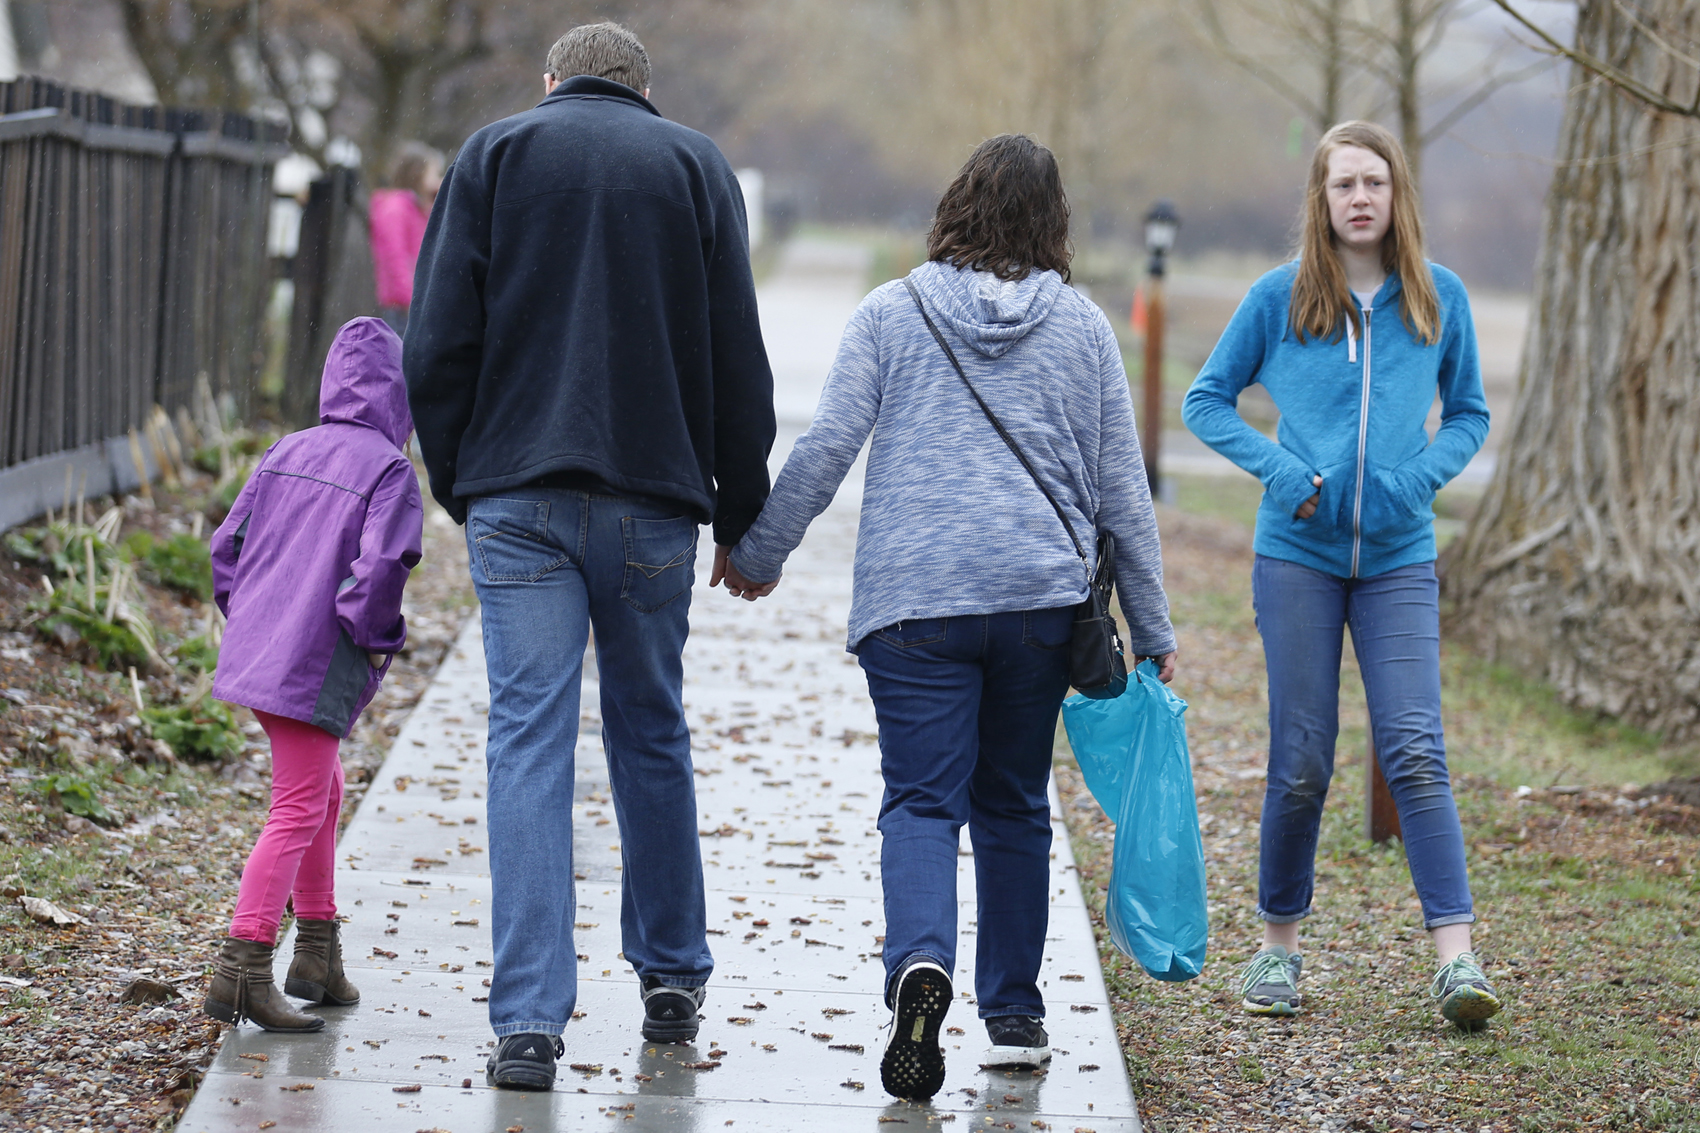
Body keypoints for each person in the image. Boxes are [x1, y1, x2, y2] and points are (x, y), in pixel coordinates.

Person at [723, 134, 1177, 1101]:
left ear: (956, 205)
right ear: (1052, 221)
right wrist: (1156, 626)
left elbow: (828, 447)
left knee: (922, 800)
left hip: (914, 606)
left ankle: (918, 965)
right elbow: (1121, 493)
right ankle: (1013, 1014)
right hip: (1037, 609)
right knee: (1012, 803)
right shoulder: (1086, 329)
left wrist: (757, 555)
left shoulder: (891, 313)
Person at [404, 22, 775, 1091]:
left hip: (516, 495)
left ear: (552, 81)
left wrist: (460, 478)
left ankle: (526, 1021)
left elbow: (435, 340)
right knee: (649, 726)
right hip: (652, 501)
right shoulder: (696, 166)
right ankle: (669, 974)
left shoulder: (492, 154)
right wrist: (738, 509)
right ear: (643, 91)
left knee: (528, 737)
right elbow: (734, 355)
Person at [1181, 120, 1500, 1030]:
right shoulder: (1278, 299)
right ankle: (1278, 949)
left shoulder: (1441, 300)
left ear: (1398, 195)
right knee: (1302, 758)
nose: (1359, 197)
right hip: (1299, 558)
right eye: (1341, 185)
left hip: (1399, 559)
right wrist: (1284, 473)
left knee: (1415, 748)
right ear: (1320, 202)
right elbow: (1205, 400)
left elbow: (1469, 415)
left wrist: (1412, 482)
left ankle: (1457, 960)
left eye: (1374, 182)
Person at [203, 317, 423, 1032]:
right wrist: (372, 635)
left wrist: (253, 617)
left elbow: (226, 546)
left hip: (265, 649)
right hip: (317, 654)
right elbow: (381, 570)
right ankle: (243, 965)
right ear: (400, 395)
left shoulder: (286, 448)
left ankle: (318, 951)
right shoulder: (388, 469)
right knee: (297, 805)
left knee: (324, 787)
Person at [369, 142, 444, 337]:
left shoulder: (417, 207)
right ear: (418, 173)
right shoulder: (397, 208)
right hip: (402, 305)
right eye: (433, 173)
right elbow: (395, 257)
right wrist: (411, 298)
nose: (439, 180)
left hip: (413, 301)